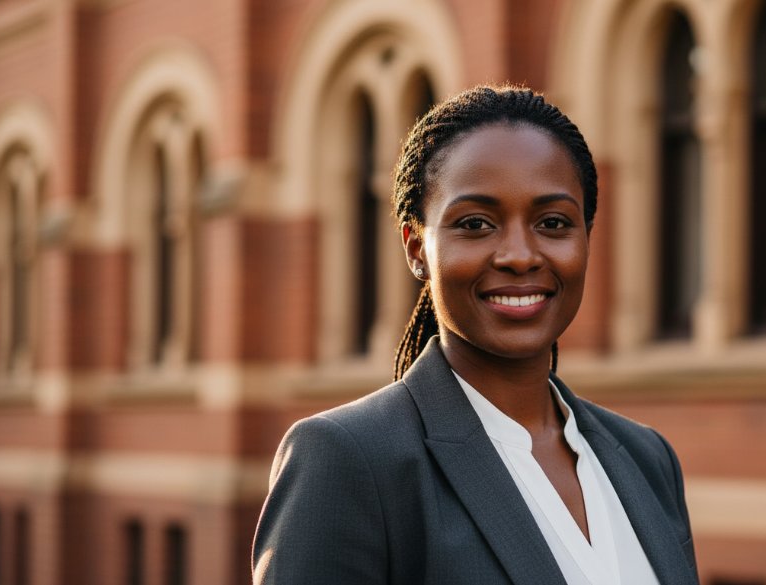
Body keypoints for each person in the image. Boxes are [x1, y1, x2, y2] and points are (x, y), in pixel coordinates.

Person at [252, 86, 698, 585]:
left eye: (553, 222)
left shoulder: (647, 458)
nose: (519, 256)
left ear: (586, 238)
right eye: (476, 224)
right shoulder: (349, 460)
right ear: (416, 248)